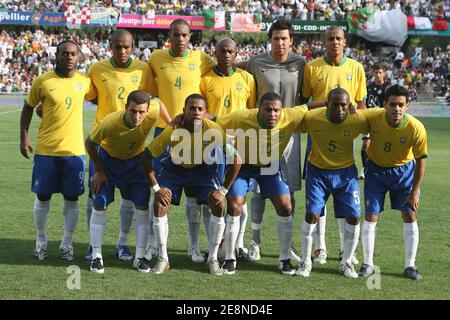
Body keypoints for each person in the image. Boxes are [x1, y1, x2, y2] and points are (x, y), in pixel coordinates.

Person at [85, 29, 167, 262]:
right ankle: (94, 246)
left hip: (134, 147)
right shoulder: (97, 69)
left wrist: (172, 122)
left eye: (126, 47)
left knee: (131, 201)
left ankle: (123, 243)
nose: (122, 51)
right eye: (117, 46)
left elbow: (151, 100)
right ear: (109, 45)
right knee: (96, 197)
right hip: (106, 144)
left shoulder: (143, 69)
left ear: (133, 47)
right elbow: (90, 96)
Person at [140, 94, 241, 275]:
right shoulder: (173, 129)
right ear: (184, 111)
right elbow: (146, 156)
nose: (196, 112)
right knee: (160, 204)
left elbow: (237, 159)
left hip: (203, 170)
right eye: (192, 108)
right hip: (175, 169)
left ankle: (213, 259)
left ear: (205, 112)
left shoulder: (215, 130)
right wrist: (156, 189)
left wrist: (223, 190)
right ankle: (163, 259)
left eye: (200, 109)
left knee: (219, 204)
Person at [215, 92, 308, 275]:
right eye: (267, 110)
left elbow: (309, 107)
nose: (272, 114)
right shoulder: (242, 116)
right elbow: (214, 122)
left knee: (286, 206)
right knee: (234, 206)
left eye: (276, 110)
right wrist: (229, 147)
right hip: (243, 166)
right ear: (259, 109)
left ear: (282, 110)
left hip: (270, 167)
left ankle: (284, 259)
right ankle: (230, 258)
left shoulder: (290, 115)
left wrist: (329, 102)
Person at [147, 19, 215, 264]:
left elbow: (215, 84)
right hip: (165, 132)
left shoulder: (202, 59)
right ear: (169, 35)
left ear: (190, 37)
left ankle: (194, 246)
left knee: (194, 190)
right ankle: (154, 245)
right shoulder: (156, 58)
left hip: (195, 133)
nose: (180, 39)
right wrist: (168, 121)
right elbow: (151, 96)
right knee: (158, 190)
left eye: (184, 35)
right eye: (176, 34)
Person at [19, 40, 94, 261]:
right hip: (46, 151)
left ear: (78, 57)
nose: (69, 57)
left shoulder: (85, 82)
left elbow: (103, 97)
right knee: (43, 197)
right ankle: (41, 241)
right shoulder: (43, 81)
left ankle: (66, 244)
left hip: (74, 152)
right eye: (64, 53)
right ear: (57, 55)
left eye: (73, 54)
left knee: (72, 199)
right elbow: (28, 107)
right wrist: (24, 136)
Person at [301, 26, 367, 265]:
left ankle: (344, 250)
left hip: (344, 141)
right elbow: (305, 102)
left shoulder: (356, 68)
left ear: (345, 41)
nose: (335, 42)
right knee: (318, 198)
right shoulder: (312, 67)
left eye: (339, 38)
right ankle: (320, 247)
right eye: (330, 38)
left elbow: (361, 106)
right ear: (324, 42)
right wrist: (329, 104)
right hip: (318, 136)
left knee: (344, 197)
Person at [243, 19, 306, 262]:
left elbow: (307, 97)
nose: (279, 43)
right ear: (270, 40)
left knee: (288, 191)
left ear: (291, 41)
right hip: (261, 134)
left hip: (290, 135)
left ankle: (287, 244)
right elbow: (248, 96)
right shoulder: (256, 62)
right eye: (275, 38)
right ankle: (255, 242)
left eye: (284, 38)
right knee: (259, 189)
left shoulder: (300, 64)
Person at [84, 91, 165, 273]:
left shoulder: (153, 111)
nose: (137, 116)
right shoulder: (110, 122)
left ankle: (139, 257)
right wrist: (98, 170)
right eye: (133, 111)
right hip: (108, 162)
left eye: (141, 112)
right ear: (126, 108)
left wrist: (169, 122)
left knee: (142, 207)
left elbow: (159, 102)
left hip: (136, 163)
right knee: (99, 204)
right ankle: (96, 256)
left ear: (147, 110)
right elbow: (89, 143)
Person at [296, 88, 368, 279]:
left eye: (344, 105)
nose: (339, 109)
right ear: (327, 104)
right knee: (312, 214)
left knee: (354, 216)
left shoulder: (357, 119)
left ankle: (347, 261)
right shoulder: (313, 118)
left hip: (345, 174)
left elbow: (377, 121)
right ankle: (305, 261)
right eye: (335, 104)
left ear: (349, 105)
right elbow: (292, 118)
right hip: (317, 172)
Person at [359, 85, 427, 280]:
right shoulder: (373, 116)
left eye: (401, 105)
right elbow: (353, 119)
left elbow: (421, 160)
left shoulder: (416, 128)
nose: (396, 108)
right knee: (371, 216)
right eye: (392, 104)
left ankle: (410, 265)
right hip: (376, 172)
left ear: (407, 106)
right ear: (384, 105)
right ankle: (367, 263)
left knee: (410, 216)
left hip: (404, 172)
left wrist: (415, 191)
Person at [200, 37, 256, 260]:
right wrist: (217, 120)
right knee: (211, 195)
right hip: (212, 143)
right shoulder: (205, 80)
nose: (226, 55)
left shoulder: (247, 78)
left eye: (230, 51)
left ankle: (238, 243)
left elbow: (253, 112)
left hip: (240, 143)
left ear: (236, 53)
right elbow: (200, 111)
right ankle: (215, 242)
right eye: (222, 51)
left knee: (238, 197)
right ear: (215, 53)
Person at [360, 64, 388, 180]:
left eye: (380, 72)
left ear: (384, 74)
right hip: (369, 120)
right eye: (376, 72)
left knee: (380, 145)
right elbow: (363, 102)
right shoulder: (368, 87)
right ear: (373, 73)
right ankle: (365, 169)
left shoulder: (387, 89)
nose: (378, 75)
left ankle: (380, 168)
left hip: (381, 120)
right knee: (366, 144)